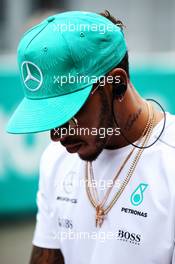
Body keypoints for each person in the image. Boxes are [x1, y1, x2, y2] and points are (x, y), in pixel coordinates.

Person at [6, 10, 175, 264]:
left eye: (68, 115)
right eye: (48, 120)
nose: (56, 136)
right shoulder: (55, 160)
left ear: (116, 83)